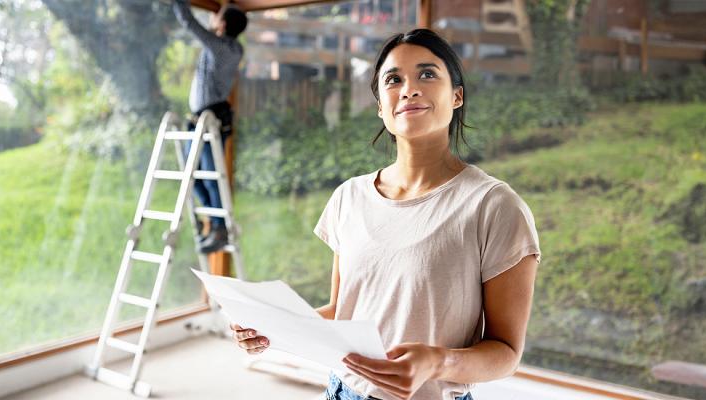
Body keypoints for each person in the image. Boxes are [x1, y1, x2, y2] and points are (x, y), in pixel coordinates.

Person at [230, 29, 541, 400]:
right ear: (380, 106)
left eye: (427, 74)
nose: (409, 89)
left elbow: (506, 352)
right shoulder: (349, 197)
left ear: (456, 95)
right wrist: (273, 327)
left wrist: (437, 363)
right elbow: (344, 312)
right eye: (393, 80)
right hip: (341, 391)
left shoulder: (494, 205)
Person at [172, 0, 247, 253]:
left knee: (211, 176)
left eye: (217, 16)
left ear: (223, 24)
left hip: (210, 120)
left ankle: (219, 228)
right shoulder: (231, 47)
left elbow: (189, 23)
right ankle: (215, 224)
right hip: (201, 119)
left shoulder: (221, 46)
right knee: (191, 177)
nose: (213, 19)